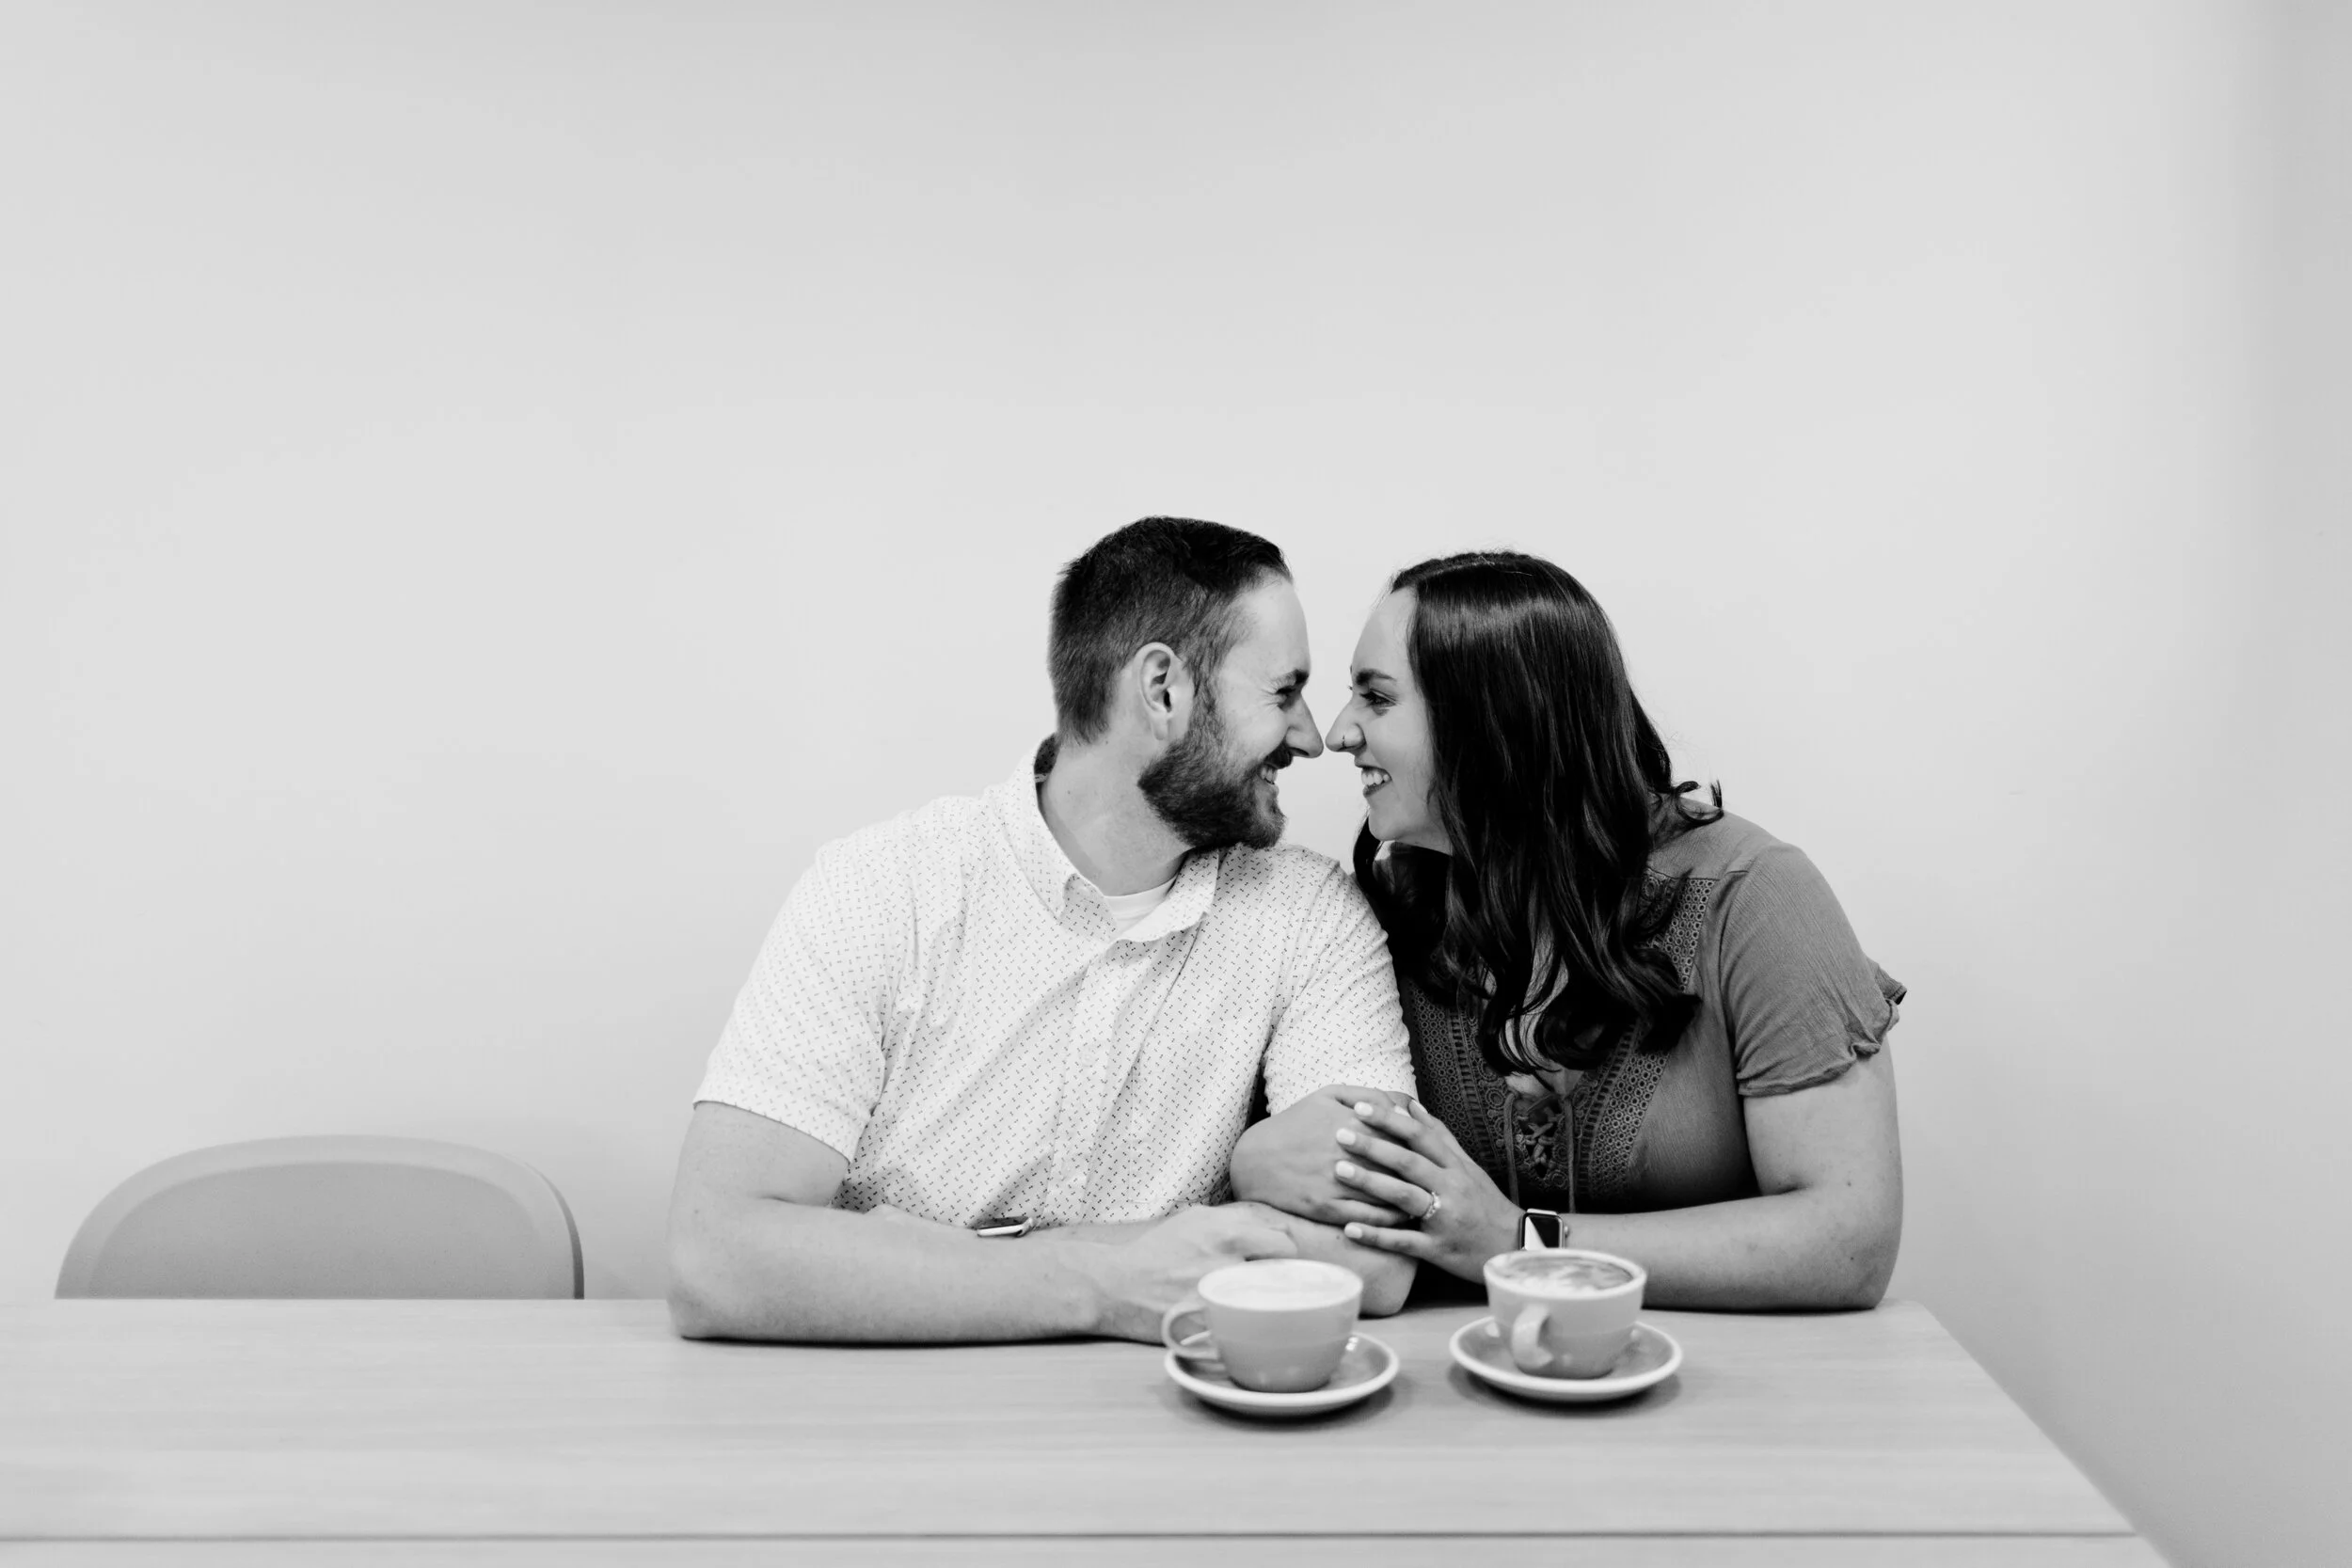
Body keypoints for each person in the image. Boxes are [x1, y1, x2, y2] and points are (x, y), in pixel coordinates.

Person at [666, 517, 1418, 1343]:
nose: (1313, 735)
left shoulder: (1310, 918)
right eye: (1283, 693)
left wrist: (927, 1263)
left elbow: (1375, 1261)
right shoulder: (883, 887)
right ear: (1163, 689)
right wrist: (1104, 1279)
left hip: (1167, 1433)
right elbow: (718, 1256)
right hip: (883, 1429)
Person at [1231, 551, 1904, 1310]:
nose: (1339, 731)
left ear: (1496, 721)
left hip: (1722, 1398)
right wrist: (1252, 1158)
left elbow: (1849, 1241)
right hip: (1468, 1387)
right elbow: (1326, 1184)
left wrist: (1523, 1241)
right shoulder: (1376, 920)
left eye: (1376, 698)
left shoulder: (1755, 900)